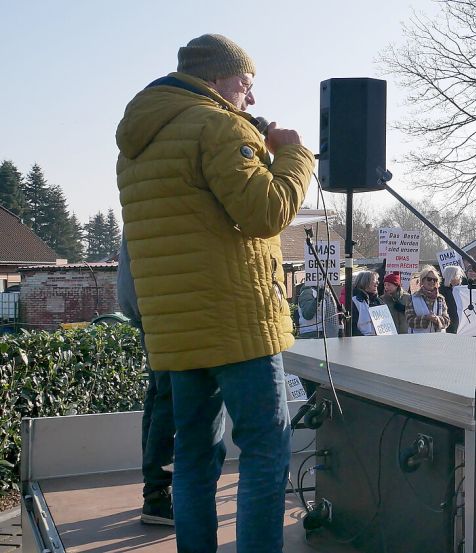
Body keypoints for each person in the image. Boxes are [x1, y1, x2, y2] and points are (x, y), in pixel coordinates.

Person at [116, 34, 314, 550]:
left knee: (194, 456)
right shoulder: (219, 124)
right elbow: (265, 211)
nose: (249, 99)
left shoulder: (142, 140)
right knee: (266, 451)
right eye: (246, 86)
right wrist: (294, 156)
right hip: (237, 324)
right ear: (218, 80)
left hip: (176, 329)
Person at [118, 238, 175, 526]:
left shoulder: (139, 201)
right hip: (167, 313)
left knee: (159, 399)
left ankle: (156, 491)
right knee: (168, 402)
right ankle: (158, 493)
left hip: (149, 312)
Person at [405, 265, 451, 333]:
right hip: (417, 340)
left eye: (435, 280)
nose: (432, 281)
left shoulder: (440, 299)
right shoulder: (412, 298)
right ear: (422, 280)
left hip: (437, 340)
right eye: (429, 279)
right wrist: (426, 318)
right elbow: (409, 321)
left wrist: (436, 319)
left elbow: (447, 321)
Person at [351, 270, 382, 336]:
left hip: (379, 342)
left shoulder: (379, 302)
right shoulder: (354, 302)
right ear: (365, 282)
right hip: (361, 342)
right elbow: (352, 327)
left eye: (377, 279)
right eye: (374, 279)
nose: (377, 282)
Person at [440, 265, 465, 333]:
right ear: (451, 276)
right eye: (459, 275)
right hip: (449, 323)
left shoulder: (461, 289)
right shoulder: (441, 290)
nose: (460, 277)